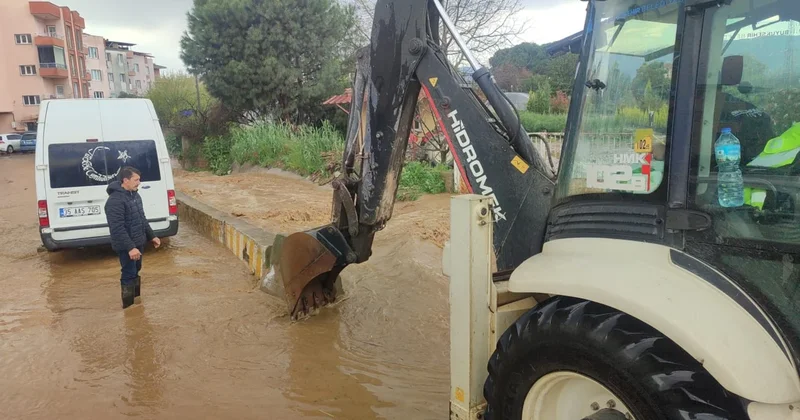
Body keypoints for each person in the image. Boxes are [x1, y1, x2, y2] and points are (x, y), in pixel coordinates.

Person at [105, 166, 161, 309]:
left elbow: (142, 218)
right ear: (126, 180)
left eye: (139, 180)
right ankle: (128, 309)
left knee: (136, 269)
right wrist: (130, 248)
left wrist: (152, 236)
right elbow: (117, 228)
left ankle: (137, 304)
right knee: (129, 273)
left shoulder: (135, 195)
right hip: (126, 246)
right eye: (136, 180)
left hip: (138, 241)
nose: (139, 183)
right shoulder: (115, 201)